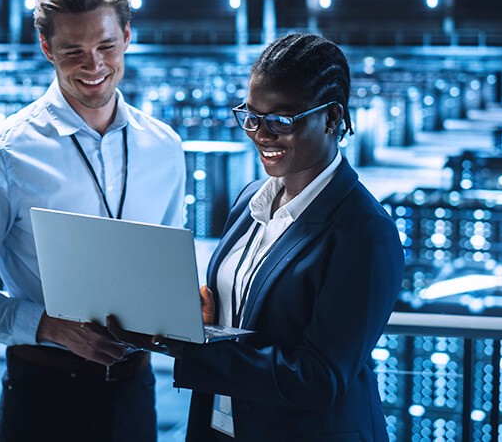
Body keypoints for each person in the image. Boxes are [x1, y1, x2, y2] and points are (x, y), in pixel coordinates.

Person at [109, 33, 403, 441]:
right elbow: (244, 317)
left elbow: (318, 378)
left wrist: (189, 350)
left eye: (281, 120)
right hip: (223, 425)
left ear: (333, 118)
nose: (261, 134)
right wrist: (192, 320)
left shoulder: (363, 232)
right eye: (251, 116)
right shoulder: (251, 199)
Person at [0, 0, 185, 442]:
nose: (94, 65)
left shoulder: (165, 147)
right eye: (73, 51)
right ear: (48, 49)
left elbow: (166, 269)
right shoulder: (3, 153)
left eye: (107, 46)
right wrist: (49, 326)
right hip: (44, 394)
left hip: (137, 392)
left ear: (127, 37)